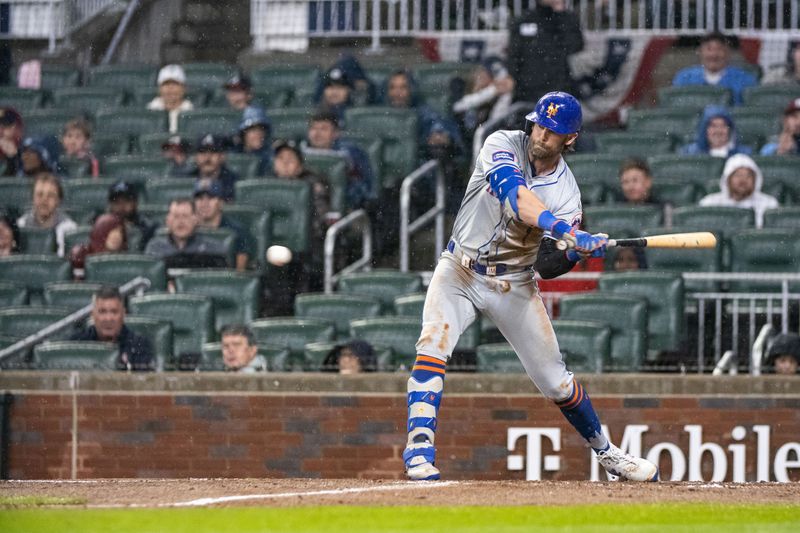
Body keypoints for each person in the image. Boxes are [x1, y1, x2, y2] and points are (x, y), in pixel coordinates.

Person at [402, 91, 658, 483]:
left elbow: (547, 266)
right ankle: (419, 450)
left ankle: (608, 455)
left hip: (514, 283)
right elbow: (515, 196)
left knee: (557, 381)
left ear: (569, 139)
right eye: (540, 124)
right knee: (432, 344)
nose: (541, 134)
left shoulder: (567, 193)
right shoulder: (500, 143)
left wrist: (575, 251)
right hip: (460, 268)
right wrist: (562, 229)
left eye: (552, 131)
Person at [507, 0, 584, 104]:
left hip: (559, 90)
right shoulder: (524, 20)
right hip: (527, 92)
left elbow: (575, 45)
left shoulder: (567, 18)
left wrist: (560, 13)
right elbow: (513, 55)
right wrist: (514, 78)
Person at [304, 110, 376, 211]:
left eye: (323, 129)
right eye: (313, 128)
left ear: (336, 133)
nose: (317, 133)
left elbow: (364, 188)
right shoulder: (299, 153)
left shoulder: (351, 154)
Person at [71, 286, 155, 371]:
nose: (108, 318)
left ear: (123, 314)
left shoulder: (139, 345)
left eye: (114, 312)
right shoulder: (77, 343)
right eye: (102, 312)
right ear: (93, 315)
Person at [672, 32, 757, 106]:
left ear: (728, 53)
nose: (713, 55)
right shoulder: (684, 78)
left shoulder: (745, 79)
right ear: (700, 52)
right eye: (709, 49)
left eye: (719, 49)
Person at [699, 153, 778, 227]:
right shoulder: (709, 203)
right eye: (738, 175)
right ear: (728, 179)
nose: (743, 180)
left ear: (755, 180)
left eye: (748, 176)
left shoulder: (769, 204)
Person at [144, 198, 227, 265]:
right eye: (176, 216)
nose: (180, 222)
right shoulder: (155, 247)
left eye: (185, 216)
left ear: (195, 220)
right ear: (167, 221)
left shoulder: (213, 248)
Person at [193, 178, 253, 271]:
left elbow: (240, 272)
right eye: (200, 198)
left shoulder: (237, 231)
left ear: (220, 202)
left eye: (211, 198)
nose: (204, 204)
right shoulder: (189, 230)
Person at [452, 56, 516, 143]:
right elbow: (459, 107)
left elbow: (496, 124)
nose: (482, 77)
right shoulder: (460, 87)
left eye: (489, 76)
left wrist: (505, 93)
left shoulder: (494, 101)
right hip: (461, 145)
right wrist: (493, 90)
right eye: (481, 73)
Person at [17, 172, 77, 256]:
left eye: (50, 195)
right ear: (32, 198)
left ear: (58, 200)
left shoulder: (69, 229)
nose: (44, 200)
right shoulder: (20, 225)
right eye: (39, 194)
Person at [680, 105, 752, 158]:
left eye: (723, 126)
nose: (718, 131)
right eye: (713, 126)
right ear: (705, 129)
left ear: (730, 129)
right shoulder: (689, 153)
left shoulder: (744, 154)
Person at [107, 180, 156, 250]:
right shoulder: (102, 226)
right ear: (110, 205)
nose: (121, 206)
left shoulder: (147, 227)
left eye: (126, 201)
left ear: (135, 202)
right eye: (117, 202)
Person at [188, 134, 239, 202]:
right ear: (195, 157)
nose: (207, 157)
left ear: (222, 156)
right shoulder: (186, 179)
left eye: (213, 151)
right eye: (202, 151)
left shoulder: (234, 182)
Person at [147, 64, 193, 134]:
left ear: (184, 88)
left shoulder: (190, 110)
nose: (170, 88)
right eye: (166, 84)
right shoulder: (151, 109)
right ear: (159, 88)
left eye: (175, 84)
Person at [235, 107, 272, 176]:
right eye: (253, 130)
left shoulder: (271, 157)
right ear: (243, 134)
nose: (258, 134)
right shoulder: (234, 154)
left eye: (261, 130)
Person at [0, 106, 23, 176]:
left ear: (19, 129)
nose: (0, 130)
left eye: (6, 124)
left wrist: (12, 157)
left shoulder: (30, 154)